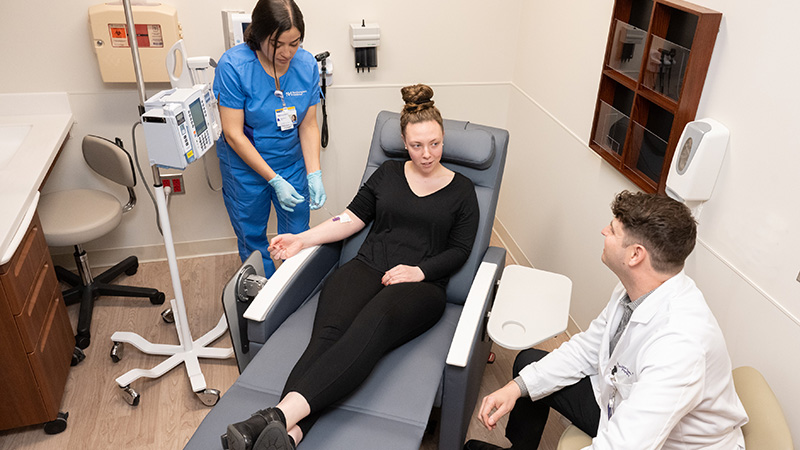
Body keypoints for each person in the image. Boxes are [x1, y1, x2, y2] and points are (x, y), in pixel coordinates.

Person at [221, 84, 480, 450]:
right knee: (324, 339)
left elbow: (460, 250)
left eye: (435, 144)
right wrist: (303, 239)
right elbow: (351, 216)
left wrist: (419, 272)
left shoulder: (462, 190)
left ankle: (270, 418)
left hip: (420, 286)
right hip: (366, 267)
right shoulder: (388, 174)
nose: (427, 154)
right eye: (418, 145)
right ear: (405, 143)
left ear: (443, 139)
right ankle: (287, 433)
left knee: (368, 331)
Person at [465, 191, 748, 450]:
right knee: (527, 365)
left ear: (636, 255)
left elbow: (626, 445)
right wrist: (515, 388)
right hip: (620, 404)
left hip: (670, 442)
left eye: (612, 230)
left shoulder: (681, 346)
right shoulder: (637, 289)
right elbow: (587, 349)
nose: (603, 230)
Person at [214, 0, 325, 277]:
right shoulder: (234, 66)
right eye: (278, 44)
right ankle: (261, 299)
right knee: (253, 239)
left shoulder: (306, 64)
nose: (287, 53)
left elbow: (309, 124)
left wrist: (314, 174)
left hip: (290, 161)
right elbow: (233, 133)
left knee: (298, 233)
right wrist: (273, 179)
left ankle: (292, 294)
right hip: (245, 168)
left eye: (295, 43)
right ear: (260, 34)